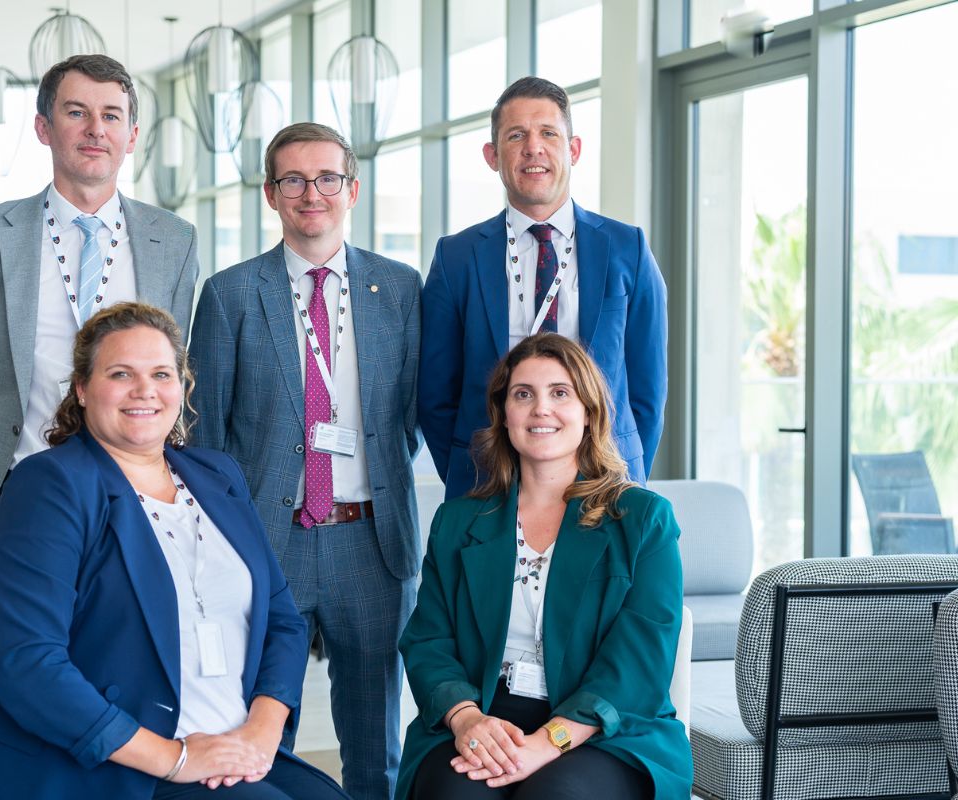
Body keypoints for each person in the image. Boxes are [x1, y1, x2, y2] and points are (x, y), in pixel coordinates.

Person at [0, 303, 347, 800]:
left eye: (161, 373)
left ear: (182, 387)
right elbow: (28, 663)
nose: (144, 390)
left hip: (233, 749)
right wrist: (175, 758)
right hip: (117, 764)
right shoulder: (48, 486)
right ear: (83, 389)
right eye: (120, 374)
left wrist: (260, 735)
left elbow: (283, 622)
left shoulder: (218, 476)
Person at [0, 54, 199, 722]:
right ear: (43, 127)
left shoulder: (172, 239)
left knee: (129, 678)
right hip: (13, 494)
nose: (95, 129)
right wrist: (11, 450)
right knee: (1, 681)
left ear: (132, 134)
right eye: (76, 112)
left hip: (136, 500)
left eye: (111, 115)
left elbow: (176, 364)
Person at [188, 122, 422, 800]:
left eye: (326, 178)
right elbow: (207, 436)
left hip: (370, 544)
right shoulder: (231, 294)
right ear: (271, 193)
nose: (310, 193)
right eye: (293, 179)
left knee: (376, 744)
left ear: (352, 188)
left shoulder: (400, 289)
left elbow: (406, 419)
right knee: (261, 736)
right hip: (268, 541)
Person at [396, 333, 692, 800]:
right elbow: (428, 640)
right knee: (455, 795)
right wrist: (466, 718)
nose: (541, 409)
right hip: (487, 715)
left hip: (604, 728)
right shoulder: (457, 521)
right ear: (504, 414)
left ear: (589, 412)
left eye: (560, 393)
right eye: (523, 394)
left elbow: (641, 660)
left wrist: (548, 742)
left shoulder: (643, 519)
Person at [418, 76, 667, 500]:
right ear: (493, 156)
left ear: (573, 150)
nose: (533, 147)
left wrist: (612, 456)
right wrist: (473, 468)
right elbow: (435, 395)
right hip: (488, 483)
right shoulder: (457, 257)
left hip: (602, 480)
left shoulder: (628, 250)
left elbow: (648, 390)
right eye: (516, 136)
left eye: (548, 133)